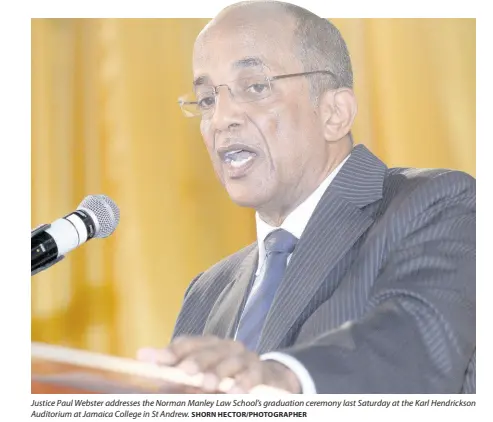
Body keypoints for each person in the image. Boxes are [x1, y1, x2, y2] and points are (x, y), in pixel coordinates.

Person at [137, 0, 476, 394]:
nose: (221, 118)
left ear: (335, 112)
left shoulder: (439, 204)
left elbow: (419, 338)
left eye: (256, 87)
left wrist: (282, 377)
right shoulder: (206, 292)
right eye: (208, 99)